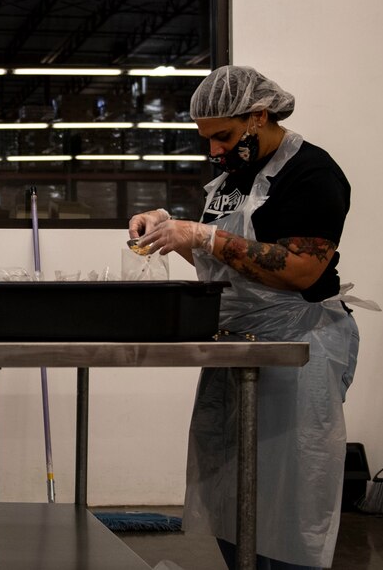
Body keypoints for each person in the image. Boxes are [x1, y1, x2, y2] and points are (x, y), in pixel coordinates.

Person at [129, 66, 359, 570]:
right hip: (237, 343)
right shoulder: (233, 178)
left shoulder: (313, 174)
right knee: (232, 490)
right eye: (208, 139)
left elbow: (302, 269)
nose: (215, 150)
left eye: (224, 136)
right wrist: (174, 231)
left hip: (294, 350)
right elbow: (224, 261)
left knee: (291, 493)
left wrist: (206, 236)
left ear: (258, 116)